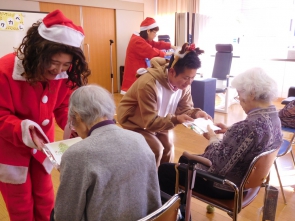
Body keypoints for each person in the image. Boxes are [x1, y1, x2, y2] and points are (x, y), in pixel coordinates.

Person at [0, 10, 90, 221]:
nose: (58, 70)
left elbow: (62, 106)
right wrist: (25, 130)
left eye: (66, 65)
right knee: (20, 203)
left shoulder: (63, 74)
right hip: (10, 149)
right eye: (53, 62)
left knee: (45, 198)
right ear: (38, 53)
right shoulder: (5, 70)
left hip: (44, 148)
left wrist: (77, 125)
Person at [158, 67, 283, 199]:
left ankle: (178, 214)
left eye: (239, 95)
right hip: (248, 183)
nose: (239, 100)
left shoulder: (246, 127)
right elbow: (257, 138)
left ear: (252, 94)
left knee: (166, 170)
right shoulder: (274, 117)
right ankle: (183, 205)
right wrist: (230, 130)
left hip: (226, 186)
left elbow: (217, 163)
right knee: (184, 160)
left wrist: (212, 137)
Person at [52, 85, 161, 221]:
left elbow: (65, 216)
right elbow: (154, 199)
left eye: (72, 123)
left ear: (77, 116)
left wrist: (70, 171)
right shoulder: (139, 139)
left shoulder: (77, 154)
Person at [117, 43, 212, 167]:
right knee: (156, 149)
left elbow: (185, 108)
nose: (189, 82)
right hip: (135, 121)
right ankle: (151, 183)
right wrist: (175, 119)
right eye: (186, 78)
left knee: (168, 147)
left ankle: (163, 180)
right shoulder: (149, 84)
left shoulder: (184, 85)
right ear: (172, 72)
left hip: (159, 118)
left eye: (192, 78)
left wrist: (195, 113)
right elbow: (150, 122)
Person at [120, 17, 176, 93]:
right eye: (155, 32)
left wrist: (170, 46)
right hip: (134, 73)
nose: (155, 35)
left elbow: (155, 44)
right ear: (148, 31)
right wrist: (166, 53)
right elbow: (151, 51)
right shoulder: (137, 41)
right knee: (135, 97)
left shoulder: (142, 39)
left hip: (138, 71)